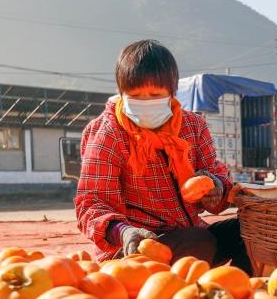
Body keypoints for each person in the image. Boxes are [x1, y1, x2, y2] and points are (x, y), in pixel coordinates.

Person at [75, 39, 251, 272]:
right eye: (136, 95)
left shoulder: (193, 127)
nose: (146, 102)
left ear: (172, 92)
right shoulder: (108, 133)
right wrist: (124, 232)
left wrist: (215, 187)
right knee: (198, 242)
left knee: (252, 230)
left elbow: (219, 181)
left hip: (192, 237)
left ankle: (241, 290)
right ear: (121, 92)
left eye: (155, 94)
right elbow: (91, 202)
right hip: (134, 249)